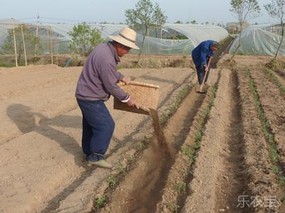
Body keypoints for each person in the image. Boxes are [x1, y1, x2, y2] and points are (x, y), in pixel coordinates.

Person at [75, 27, 140, 169]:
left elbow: (108, 73)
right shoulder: (107, 59)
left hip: (85, 94)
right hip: (90, 97)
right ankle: (95, 156)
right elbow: (111, 85)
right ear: (120, 45)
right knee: (106, 125)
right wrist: (128, 98)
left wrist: (121, 76)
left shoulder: (103, 48)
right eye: (128, 49)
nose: (127, 53)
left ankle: (88, 151)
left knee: (91, 125)